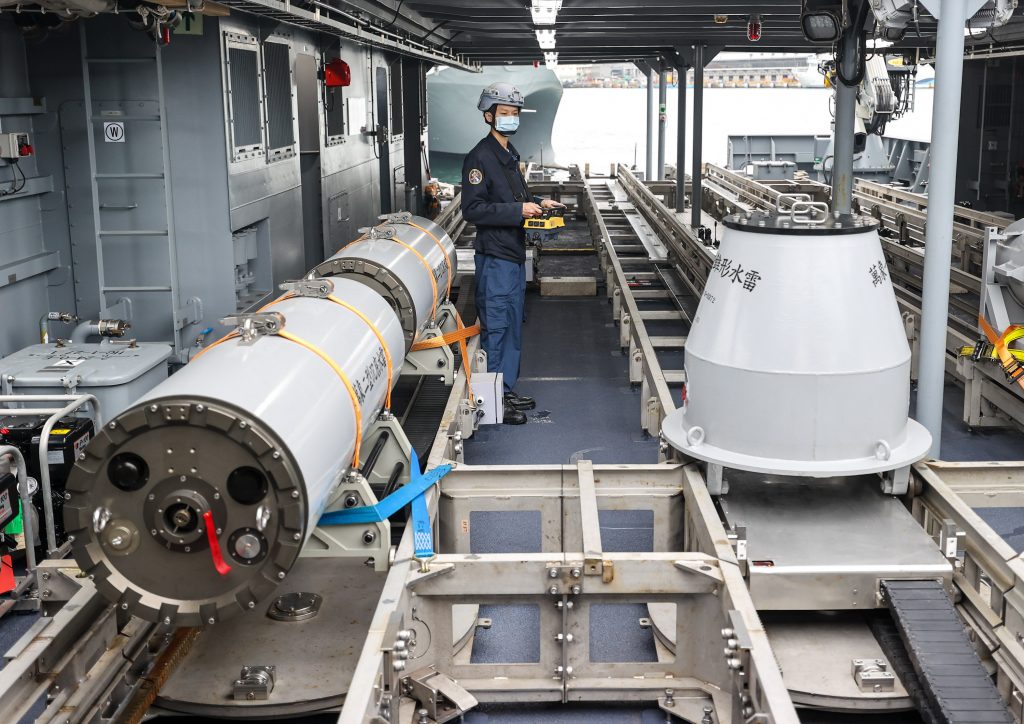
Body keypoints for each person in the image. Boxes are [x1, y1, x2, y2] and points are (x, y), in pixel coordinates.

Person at [461, 82, 563, 425]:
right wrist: (518, 211)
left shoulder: (509, 154)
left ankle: (504, 389)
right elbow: (473, 209)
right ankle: (492, 402)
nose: (511, 118)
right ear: (489, 116)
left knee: (512, 326)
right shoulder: (480, 157)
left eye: (515, 113)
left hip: (513, 255)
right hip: (495, 258)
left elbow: (517, 197)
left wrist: (540, 203)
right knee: (497, 328)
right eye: (504, 113)